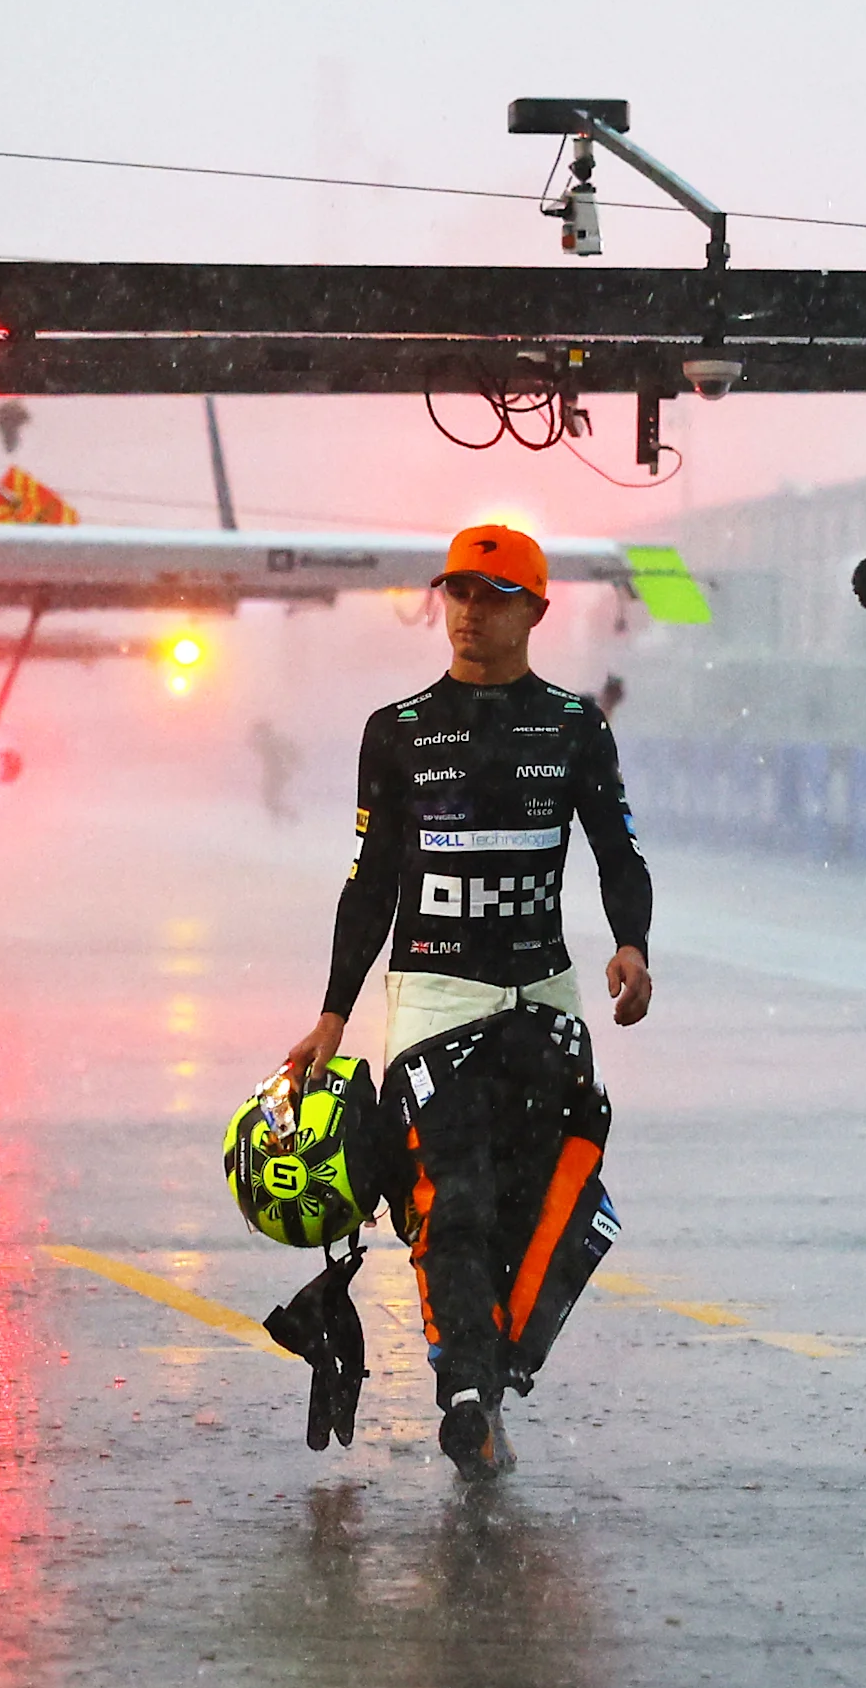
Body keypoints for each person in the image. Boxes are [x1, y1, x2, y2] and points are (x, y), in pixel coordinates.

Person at [280, 524, 654, 1479]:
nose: (470, 613)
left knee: (541, 1208)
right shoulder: (396, 730)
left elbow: (618, 850)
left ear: (535, 607)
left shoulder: (573, 724)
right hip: (437, 996)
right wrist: (332, 1011)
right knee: (454, 1201)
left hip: (543, 992)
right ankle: (467, 1393)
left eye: (491, 596)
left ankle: (488, 1373)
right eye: (458, 594)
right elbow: (368, 883)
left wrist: (631, 945)